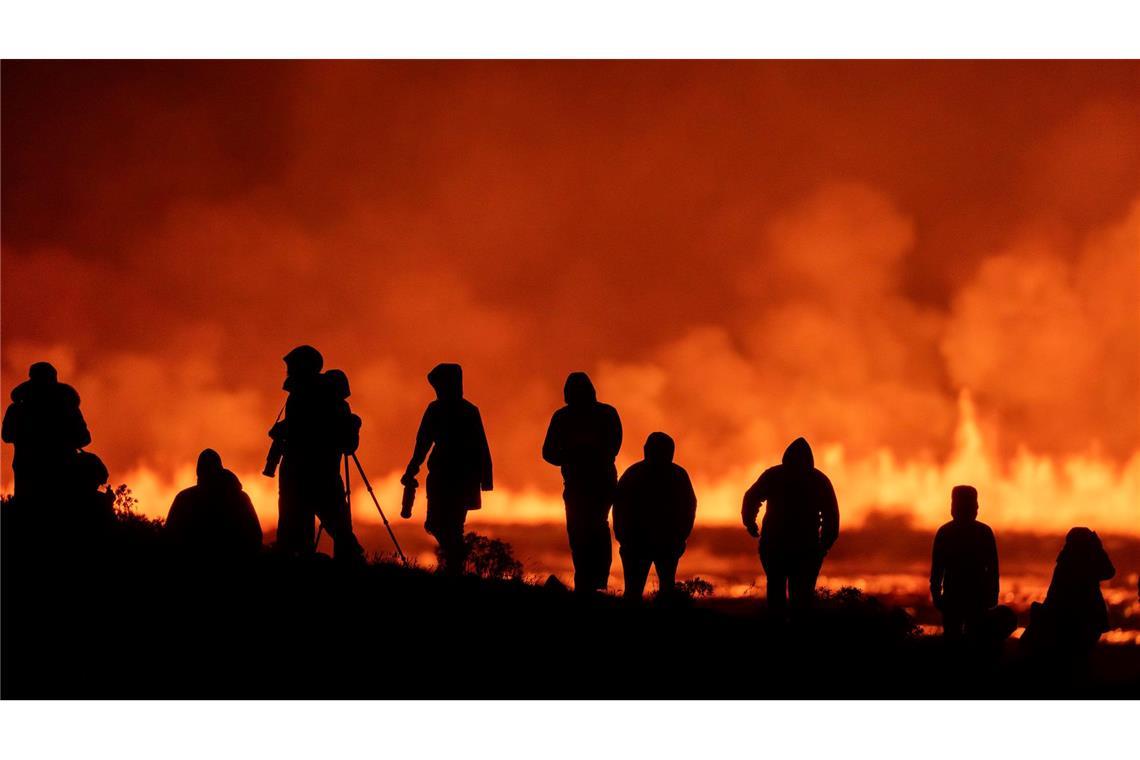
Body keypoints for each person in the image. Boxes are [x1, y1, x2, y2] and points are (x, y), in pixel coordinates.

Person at [266, 346, 364, 560]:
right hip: (325, 474)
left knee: (296, 534)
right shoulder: (332, 397)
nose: (287, 371)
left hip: (298, 475)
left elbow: (304, 430)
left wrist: (281, 431)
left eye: (291, 366)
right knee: (339, 528)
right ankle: (352, 563)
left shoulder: (300, 396)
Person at [400, 363, 493, 574]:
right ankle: (455, 562)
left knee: (446, 524)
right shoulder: (460, 410)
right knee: (444, 525)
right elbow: (423, 442)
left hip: (455, 477)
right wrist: (412, 468)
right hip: (453, 476)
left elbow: (479, 445)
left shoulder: (447, 410)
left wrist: (486, 477)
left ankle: (454, 565)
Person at [542, 372, 622, 592]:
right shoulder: (606, 413)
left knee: (584, 529)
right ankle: (592, 582)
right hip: (588, 483)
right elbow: (548, 452)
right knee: (590, 528)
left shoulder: (564, 417)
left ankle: (591, 581)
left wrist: (576, 455)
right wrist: (574, 455)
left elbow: (549, 453)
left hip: (589, 483)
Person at [741, 437, 839, 616]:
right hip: (804, 549)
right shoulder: (819, 480)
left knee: (776, 594)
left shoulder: (773, 475)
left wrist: (750, 522)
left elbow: (751, 498)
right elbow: (832, 518)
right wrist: (823, 546)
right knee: (801, 600)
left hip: (776, 547)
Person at [612, 432, 697, 600]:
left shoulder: (633, 473)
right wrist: (680, 538)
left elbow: (619, 507)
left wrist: (623, 538)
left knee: (635, 592)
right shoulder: (678, 474)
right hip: (652, 543)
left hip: (649, 544)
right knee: (662, 590)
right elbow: (690, 507)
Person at [2, 362, 91, 507]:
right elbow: (85, 438)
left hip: (27, 472)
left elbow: (6, 436)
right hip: (61, 473)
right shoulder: (68, 408)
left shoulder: (17, 409)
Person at [1021, 527, 1116, 664]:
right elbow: (1109, 571)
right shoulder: (1083, 563)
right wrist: (1098, 547)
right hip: (1078, 621)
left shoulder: (1066, 562)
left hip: (1071, 621)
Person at [929, 485, 1005, 646]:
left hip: (963, 596)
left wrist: (936, 594)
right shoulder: (983, 532)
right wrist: (994, 593)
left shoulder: (945, 532)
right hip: (969, 596)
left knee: (957, 640)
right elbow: (993, 569)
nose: (976, 507)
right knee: (970, 641)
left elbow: (937, 570)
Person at [166, 449, 262, 562]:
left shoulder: (184, 498)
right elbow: (255, 537)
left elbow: (169, 538)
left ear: (198, 472)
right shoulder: (241, 498)